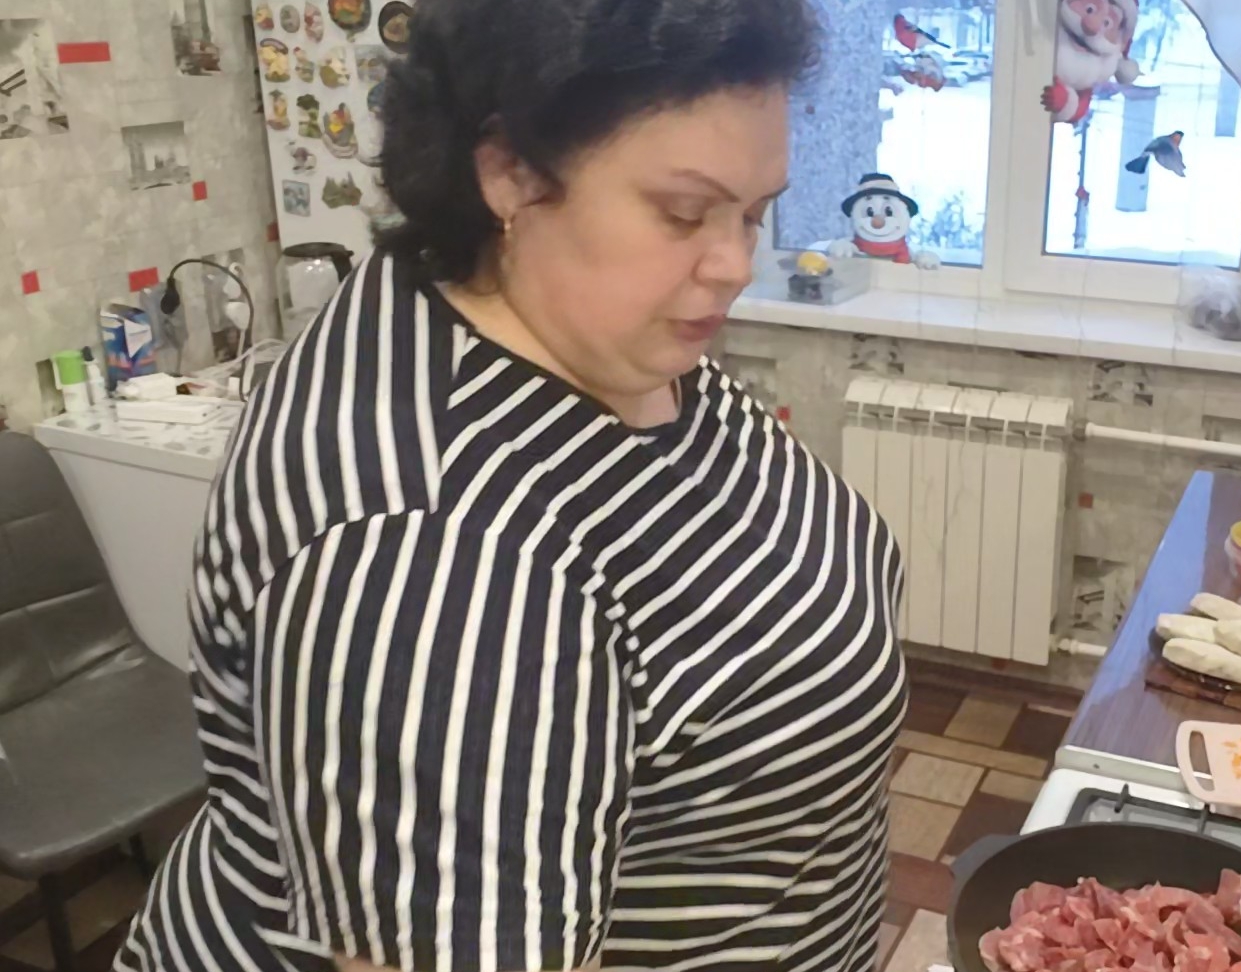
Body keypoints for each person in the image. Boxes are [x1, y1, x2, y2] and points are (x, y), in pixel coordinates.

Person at [115, 0, 907, 969]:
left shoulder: (589, 328)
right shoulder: (437, 559)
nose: (734, 263)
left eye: (752, 212)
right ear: (509, 173)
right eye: (683, 213)